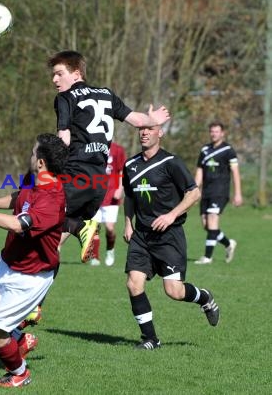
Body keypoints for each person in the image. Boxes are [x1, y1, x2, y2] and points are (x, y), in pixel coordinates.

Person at [0, 133, 68, 388]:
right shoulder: (34, 181)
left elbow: (19, 225)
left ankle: (19, 373)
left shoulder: (52, 198)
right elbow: (18, 197)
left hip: (30, 277)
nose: (30, 156)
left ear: (41, 162)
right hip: (7, 262)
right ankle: (19, 340)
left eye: (33, 153)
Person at [48, 50, 171, 262]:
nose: (54, 80)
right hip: (98, 181)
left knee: (42, 227)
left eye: (59, 74)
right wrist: (153, 119)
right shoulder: (106, 93)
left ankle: (81, 227)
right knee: (52, 245)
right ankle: (80, 226)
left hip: (75, 175)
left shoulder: (65, 98)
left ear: (76, 74)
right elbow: (137, 120)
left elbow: (64, 139)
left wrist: (47, 165)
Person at [122, 125, 220, 350]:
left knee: (173, 291)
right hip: (141, 236)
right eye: (141, 129)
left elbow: (194, 193)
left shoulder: (171, 162)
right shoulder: (130, 165)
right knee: (133, 284)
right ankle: (150, 339)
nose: (144, 133)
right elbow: (129, 196)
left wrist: (171, 215)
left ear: (160, 133)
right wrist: (128, 223)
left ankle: (204, 298)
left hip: (169, 236)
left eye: (150, 129)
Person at [194, 121, 242, 264]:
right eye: (212, 131)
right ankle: (228, 244)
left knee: (213, 219)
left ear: (222, 133)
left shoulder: (228, 150)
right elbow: (199, 171)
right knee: (207, 225)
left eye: (216, 131)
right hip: (206, 192)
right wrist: (195, 190)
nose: (214, 134)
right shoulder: (204, 150)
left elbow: (235, 172)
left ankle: (207, 257)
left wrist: (238, 193)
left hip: (220, 191)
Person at [86, 141, 127, 266]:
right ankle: (95, 256)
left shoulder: (117, 149)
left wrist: (120, 188)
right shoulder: (92, 148)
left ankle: (110, 250)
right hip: (95, 195)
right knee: (94, 228)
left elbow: (122, 171)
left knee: (110, 229)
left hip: (111, 196)